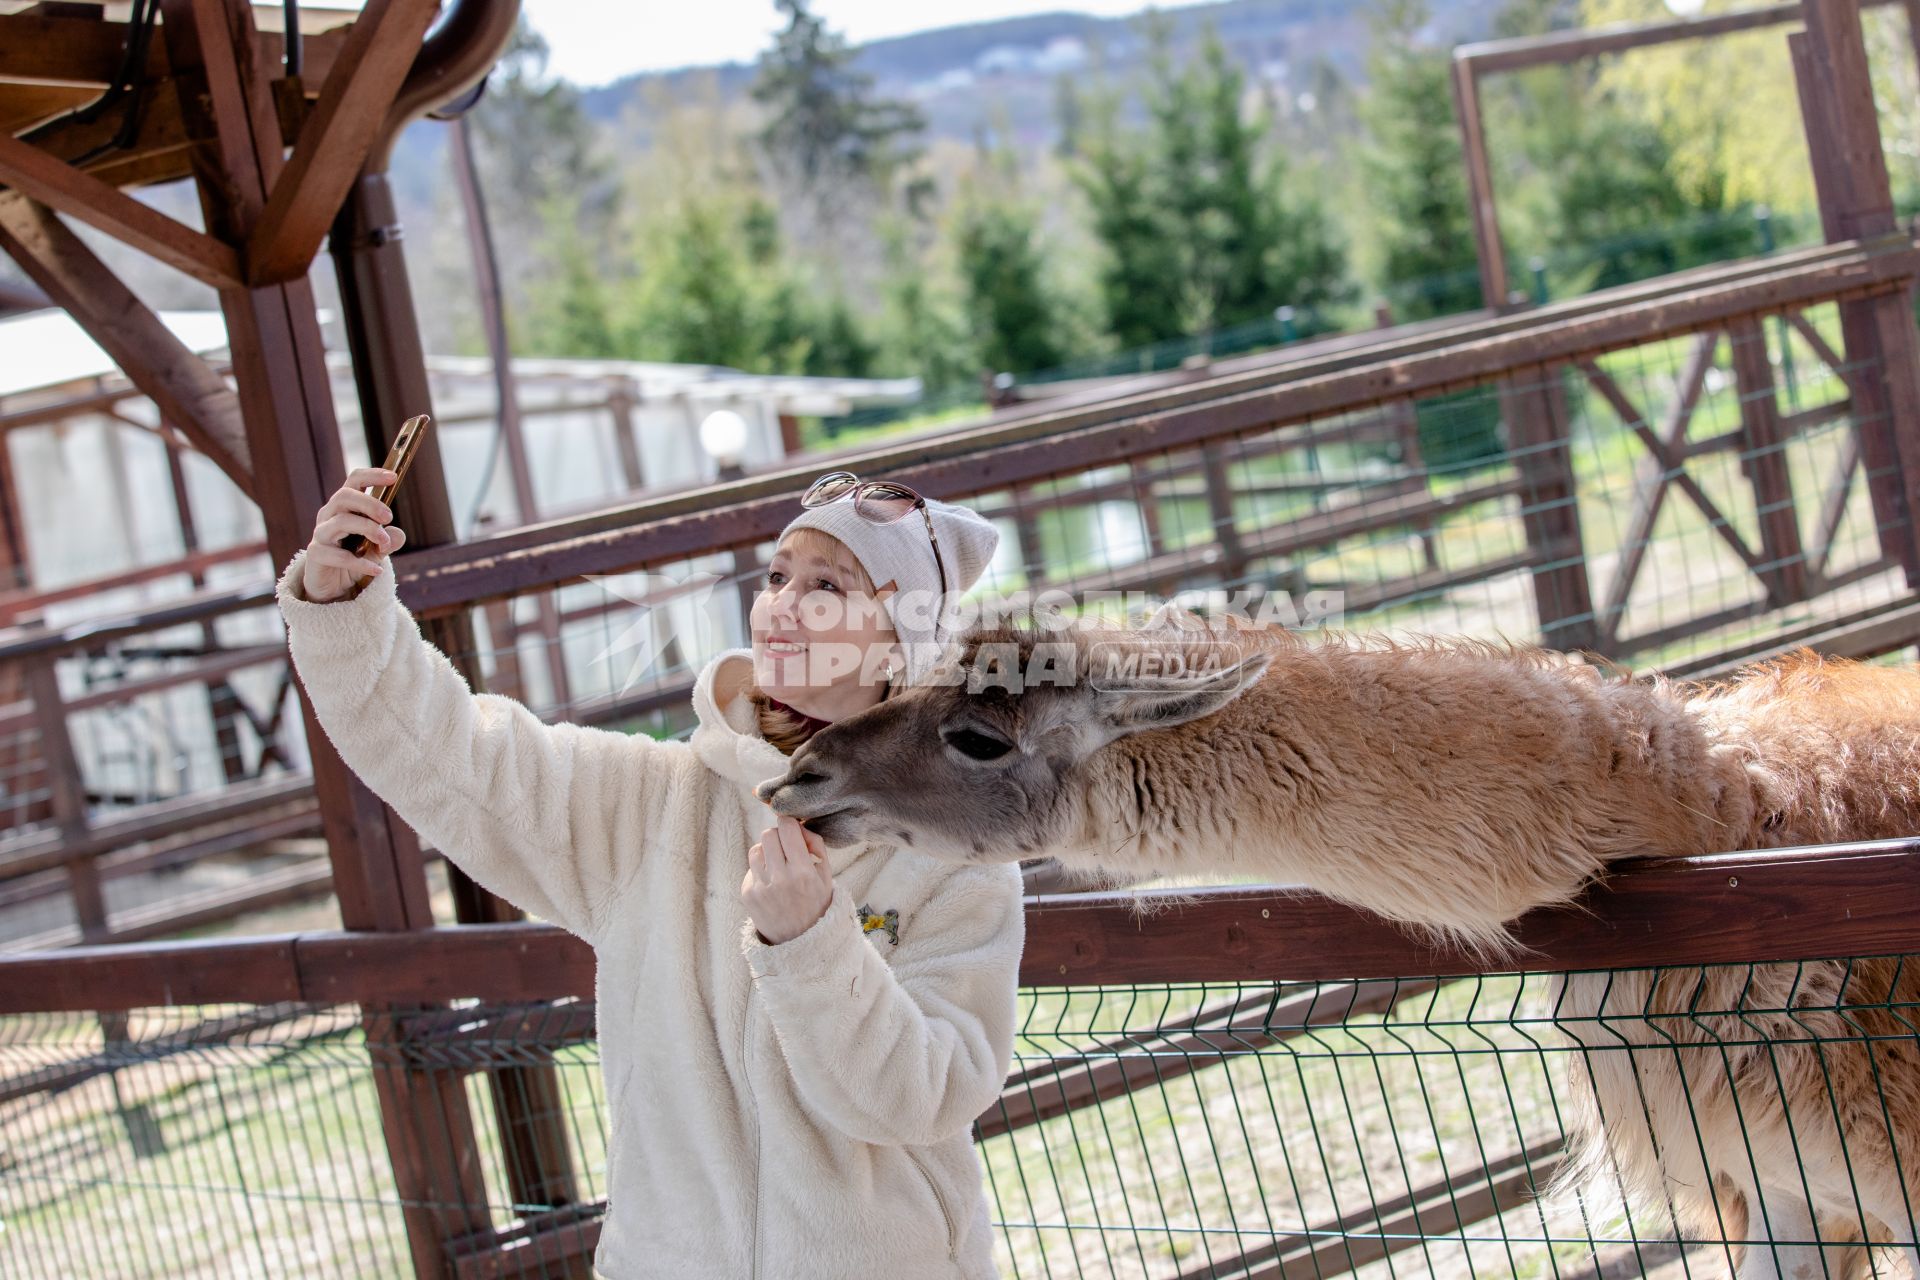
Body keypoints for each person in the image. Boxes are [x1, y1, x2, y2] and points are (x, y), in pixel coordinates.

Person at [275, 466, 1023, 1279]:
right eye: (776, 578)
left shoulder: (961, 858)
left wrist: (813, 945)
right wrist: (344, 609)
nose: (780, 603)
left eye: (826, 586)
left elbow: (929, 1095)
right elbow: (452, 753)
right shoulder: (655, 803)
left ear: (897, 638)